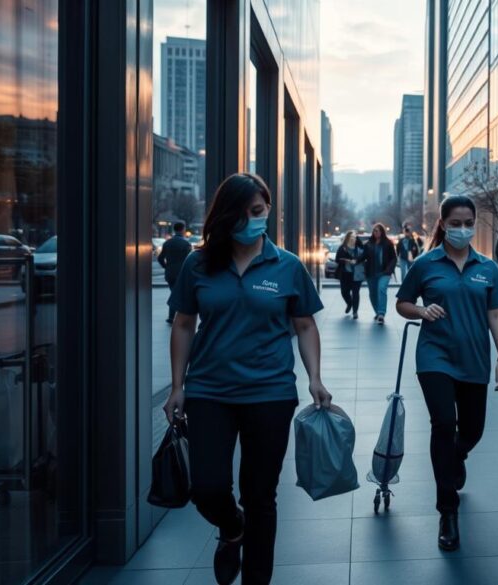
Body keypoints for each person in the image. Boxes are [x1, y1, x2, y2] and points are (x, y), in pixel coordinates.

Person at [162, 173, 332, 585]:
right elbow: (184, 324)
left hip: (270, 393)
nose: (254, 220)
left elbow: (305, 326)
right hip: (209, 391)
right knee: (207, 486)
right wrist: (177, 385)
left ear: (268, 210)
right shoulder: (198, 264)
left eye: (259, 211)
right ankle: (232, 527)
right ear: (226, 216)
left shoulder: (287, 265)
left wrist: (315, 378)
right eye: (244, 213)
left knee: (261, 496)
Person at [395, 195, 498, 552]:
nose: (462, 229)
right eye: (455, 223)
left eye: (468, 223)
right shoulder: (426, 264)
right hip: (435, 358)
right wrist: (420, 310)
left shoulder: (487, 268)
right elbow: (402, 303)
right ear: (443, 224)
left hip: (474, 359)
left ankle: (455, 456)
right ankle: (447, 510)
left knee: (471, 431)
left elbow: (496, 315)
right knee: (443, 423)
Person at [158, 221, 193, 324]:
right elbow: (189, 260)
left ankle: (172, 316)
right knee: (176, 294)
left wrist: (166, 267)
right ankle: (173, 316)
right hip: (181, 273)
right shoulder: (186, 244)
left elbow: (160, 258)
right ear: (182, 229)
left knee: (174, 292)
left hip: (170, 273)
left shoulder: (167, 243)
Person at [363, 223, 397, 324]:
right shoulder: (369, 244)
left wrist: (389, 270)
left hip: (384, 273)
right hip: (371, 273)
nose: (375, 233)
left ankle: (381, 313)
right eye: (374, 231)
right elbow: (363, 256)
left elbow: (394, 258)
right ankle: (377, 312)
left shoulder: (388, 243)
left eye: (377, 231)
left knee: (381, 290)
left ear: (382, 232)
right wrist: (355, 260)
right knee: (372, 294)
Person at [336, 230, 364, 319]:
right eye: (352, 237)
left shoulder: (359, 248)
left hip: (357, 274)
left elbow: (364, 258)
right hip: (345, 274)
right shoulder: (342, 248)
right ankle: (349, 303)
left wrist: (357, 260)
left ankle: (355, 312)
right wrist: (346, 260)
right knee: (344, 292)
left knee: (356, 293)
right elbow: (337, 259)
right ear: (348, 237)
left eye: (355, 237)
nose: (353, 239)